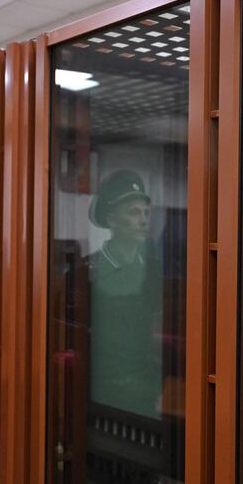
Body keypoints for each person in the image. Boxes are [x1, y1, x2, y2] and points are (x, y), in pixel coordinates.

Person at [85, 169, 162, 419]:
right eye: (133, 212)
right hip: (104, 391)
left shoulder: (154, 271)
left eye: (145, 213)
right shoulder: (88, 272)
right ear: (111, 220)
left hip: (147, 386)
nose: (143, 220)